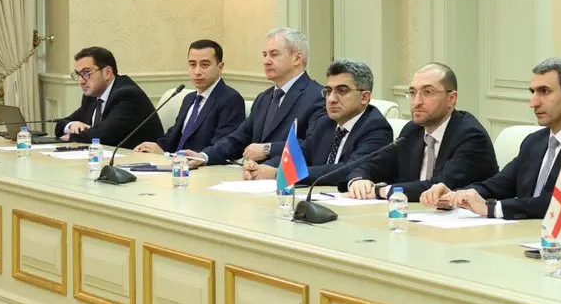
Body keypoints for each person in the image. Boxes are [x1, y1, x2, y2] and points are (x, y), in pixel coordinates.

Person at [433, 58, 561, 219]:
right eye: (533, 92)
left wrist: (493, 208)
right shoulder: (534, 141)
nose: (533, 102)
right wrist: (458, 195)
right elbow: (499, 184)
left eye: (544, 91)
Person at [342, 64, 497, 201]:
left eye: (427, 92)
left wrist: (380, 190)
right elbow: (375, 164)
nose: (416, 102)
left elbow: (438, 186)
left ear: (451, 99)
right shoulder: (412, 130)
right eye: (412, 92)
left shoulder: (471, 136)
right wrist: (358, 180)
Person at [186, 27, 328, 168]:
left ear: (297, 58)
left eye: (274, 54)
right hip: (253, 175)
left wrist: (268, 150)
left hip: (284, 178)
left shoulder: (318, 96)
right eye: (265, 55)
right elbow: (238, 139)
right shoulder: (264, 97)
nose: (266, 61)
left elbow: (312, 146)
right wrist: (204, 156)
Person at [245, 61, 392, 186]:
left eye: (342, 91)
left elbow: (346, 170)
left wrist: (280, 174)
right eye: (328, 91)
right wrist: (260, 168)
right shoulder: (325, 123)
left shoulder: (376, 128)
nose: (331, 99)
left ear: (364, 97)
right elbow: (298, 155)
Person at [137, 40, 245, 156]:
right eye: (192, 65)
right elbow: (173, 136)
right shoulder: (189, 98)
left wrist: (167, 155)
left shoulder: (231, 99)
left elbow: (222, 146)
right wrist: (154, 147)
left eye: (204, 65)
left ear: (220, 67)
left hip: (202, 165)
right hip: (176, 163)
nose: (197, 72)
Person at [57, 47, 165, 148]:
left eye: (86, 73)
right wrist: (72, 125)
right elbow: (61, 125)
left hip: (139, 158)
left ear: (107, 72)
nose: (81, 81)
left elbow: (102, 136)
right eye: (78, 74)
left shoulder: (128, 95)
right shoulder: (93, 95)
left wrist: (73, 136)